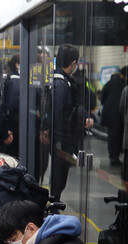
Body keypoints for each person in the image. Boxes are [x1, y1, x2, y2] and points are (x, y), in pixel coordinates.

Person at [50, 44, 94, 201]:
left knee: (60, 179)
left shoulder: (60, 81)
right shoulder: (61, 84)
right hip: (61, 139)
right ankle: (53, 209)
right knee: (58, 180)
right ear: (74, 63)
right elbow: (60, 114)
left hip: (61, 138)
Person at [101, 66, 127, 167]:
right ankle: (114, 158)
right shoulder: (123, 84)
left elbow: (103, 97)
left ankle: (113, 157)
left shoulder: (109, 83)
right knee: (117, 136)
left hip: (109, 114)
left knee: (112, 136)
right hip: (118, 115)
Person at [3, 54, 21, 158]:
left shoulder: (15, 80)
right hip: (15, 124)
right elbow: (11, 104)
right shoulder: (15, 82)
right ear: (17, 65)